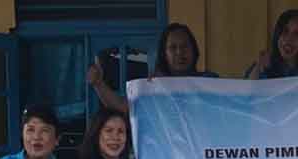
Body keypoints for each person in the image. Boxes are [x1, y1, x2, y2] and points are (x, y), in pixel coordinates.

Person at [86, 22, 219, 114]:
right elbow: (123, 107)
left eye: (185, 46)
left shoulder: (210, 81)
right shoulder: (155, 86)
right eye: (173, 48)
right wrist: (98, 84)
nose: (179, 52)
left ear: (194, 50)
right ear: (164, 54)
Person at [245, 9, 298, 79]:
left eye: (297, 34)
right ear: (277, 34)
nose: (288, 39)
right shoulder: (262, 67)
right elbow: (247, 89)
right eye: (285, 31)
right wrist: (258, 67)